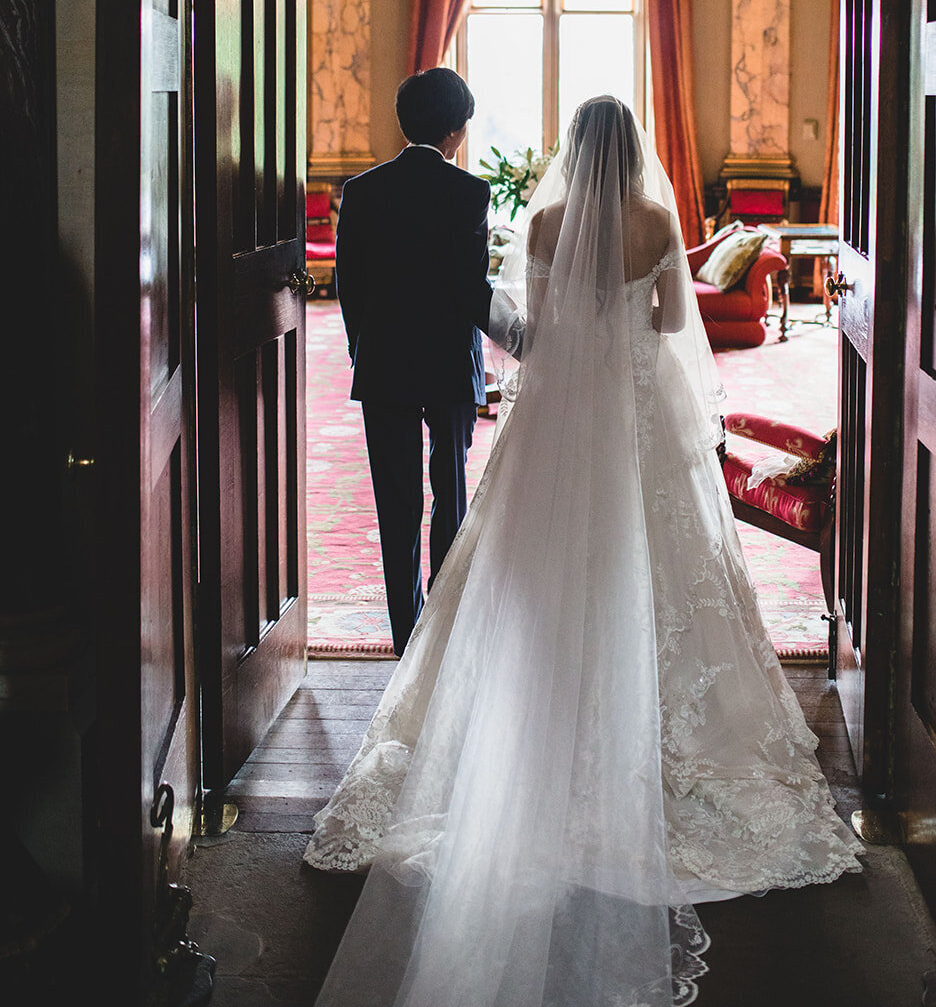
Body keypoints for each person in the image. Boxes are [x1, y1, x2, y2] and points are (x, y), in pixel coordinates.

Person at [307, 96, 861, 1007]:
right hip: (632, 411)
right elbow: (672, 327)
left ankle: (531, 705)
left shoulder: (542, 217)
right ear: (634, 150)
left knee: (526, 558)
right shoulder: (652, 221)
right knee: (654, 561)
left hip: (558, 413)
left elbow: (533, 321)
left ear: (571, 151)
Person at [334, 67, 494, 656]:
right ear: (454, 131)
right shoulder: (468, 192)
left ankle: (406, 629)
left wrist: (362, 348)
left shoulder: (363, 190)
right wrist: (522, 330)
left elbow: (348, 284)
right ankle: (442, 626)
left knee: (394, 499)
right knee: (449, 488)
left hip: (383, 363)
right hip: (450, 361)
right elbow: (469, 288)